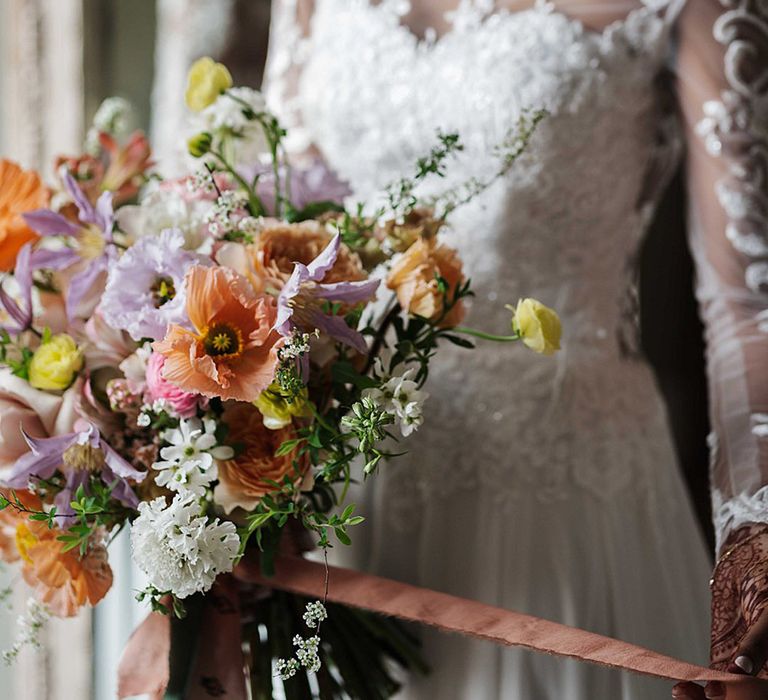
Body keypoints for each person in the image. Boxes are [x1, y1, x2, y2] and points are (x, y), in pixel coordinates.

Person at [263, 1, 768, 698]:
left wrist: (755, 576)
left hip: (563, 508)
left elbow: (746, 309)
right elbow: (273, 255)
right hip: (348, 510)